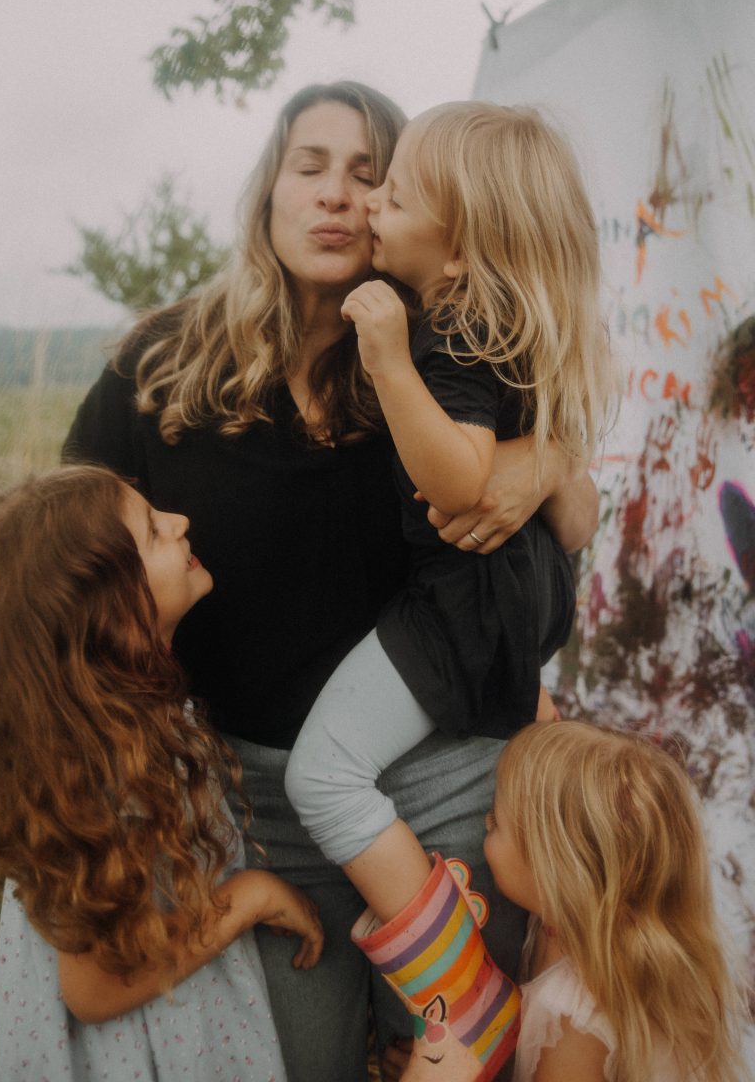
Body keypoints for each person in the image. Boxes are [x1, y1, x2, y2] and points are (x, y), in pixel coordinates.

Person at [62, 81, 600, 1082]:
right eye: (309, 166)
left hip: (449, 794)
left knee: (450, 1057)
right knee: (304, 1064)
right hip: (260, 807)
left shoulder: (441, 349)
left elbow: (560, 521)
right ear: (268, 190)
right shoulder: (161, 364)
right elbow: (64, 568)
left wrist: (546, 461)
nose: (338, 195)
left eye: (369, 174)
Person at [283, 102, 612, 1079]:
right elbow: (570, 520)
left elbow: (461, 483)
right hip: (515, 610)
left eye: (391, 192)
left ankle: (463, 994)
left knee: (322, 776)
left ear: (460, 248)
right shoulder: (512, 324)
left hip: (459, 612)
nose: (368, 205)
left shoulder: (451, 332)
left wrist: (389, 360)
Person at [0, 464, 323, 1081]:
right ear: (111, 613)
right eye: (151, 531)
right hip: (140, 1050)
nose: (180, 521)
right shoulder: (101, 770)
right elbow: (93, 990)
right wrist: (249, 898)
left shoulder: (130, 722)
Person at [483, 720, 746, 1082]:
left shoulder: (574, 1019)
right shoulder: (557, 921)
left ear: (554, 870)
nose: (485, 823)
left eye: (496, 822)